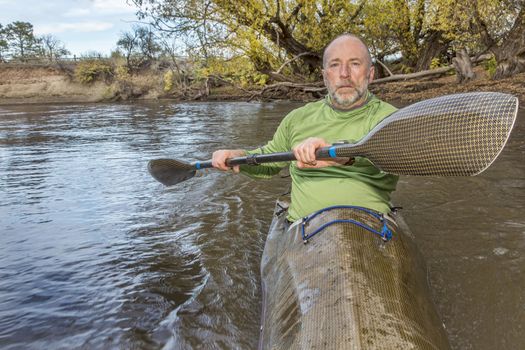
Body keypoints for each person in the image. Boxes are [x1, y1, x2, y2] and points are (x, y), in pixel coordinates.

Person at [212, 34, 399, 222]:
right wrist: (238, 156)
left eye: (355, 63)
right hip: (304, 232)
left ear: (371, 73)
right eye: (335, 64)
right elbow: (269, 161)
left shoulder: (391, 119)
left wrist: (342, 156)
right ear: (325, 76)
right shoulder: (297, 118)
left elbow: (401, 157)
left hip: (372, 226)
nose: (344, 73)